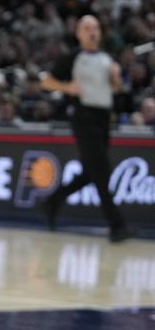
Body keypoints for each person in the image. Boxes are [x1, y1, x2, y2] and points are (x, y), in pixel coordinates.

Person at [39, 14, 131, 243]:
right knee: (101, 172)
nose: (92, 32)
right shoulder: (74, 57)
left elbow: (116, 90)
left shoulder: (107, 59)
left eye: (96, 28)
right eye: (87, 28)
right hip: (84, 118)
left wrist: (117, 81)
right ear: (79, 33)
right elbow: (46, 81)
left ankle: (52, 202)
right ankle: (116, 225)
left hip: (103, 119)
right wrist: (67, 88)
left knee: (92, 173)